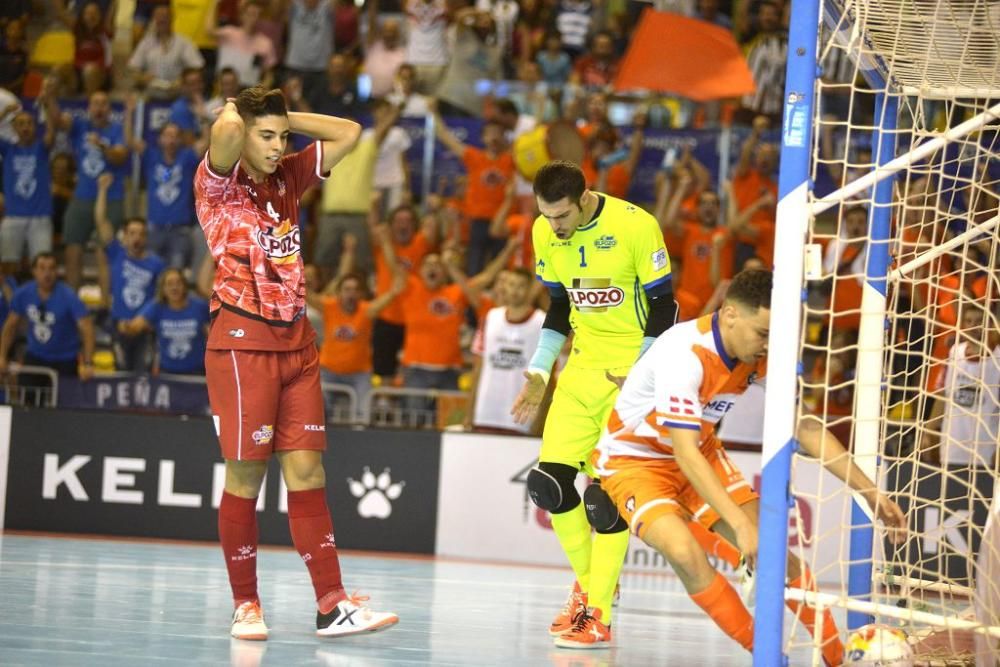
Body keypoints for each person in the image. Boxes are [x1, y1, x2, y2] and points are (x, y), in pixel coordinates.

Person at [592, 268, 908, 660]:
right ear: (729, 315)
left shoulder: (757, 355)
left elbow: (804, 425)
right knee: (684, 551)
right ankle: (766, 655)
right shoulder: (684, 355)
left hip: (699, 450)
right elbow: (683, 452)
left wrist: (870, 492)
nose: (768, 345)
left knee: (774, 551)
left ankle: (837, 656)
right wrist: (740, 527)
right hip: (634, 462)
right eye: (762, 333)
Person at [195, 84, 397, 640]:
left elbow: (350, 133)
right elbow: (228, 132)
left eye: (283, 136)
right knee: (245, 476)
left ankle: (332, 604)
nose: (277, 145)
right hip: (241, 344)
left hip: (299, 345)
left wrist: (282, 120)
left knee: (309, 472)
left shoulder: (289, 174)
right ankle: (246, 606)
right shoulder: (217, 184)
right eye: (268, 135)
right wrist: (241, 113)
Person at [510, 160, 678, 647]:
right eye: (546, 216)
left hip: (631, 374)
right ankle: (591, 586)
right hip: (582, 370)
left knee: (603, 498)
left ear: (584, 199)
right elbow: (561, 305)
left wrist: (643, 373)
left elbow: (666, 305)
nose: (554, 226)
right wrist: (541, 372)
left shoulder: (636, 225)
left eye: (561, 216)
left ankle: (597, 613)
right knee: (547, 484)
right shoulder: (546, 232)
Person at [306, 228, 406, 420]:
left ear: (360, 294)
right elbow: (306, 294)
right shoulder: (329, 306)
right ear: (340, 292)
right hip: (329, 372)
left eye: (354, 290)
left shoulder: (367, 310)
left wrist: (396, 288)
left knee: (363, 415)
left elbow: (392, 295)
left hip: (359, 374)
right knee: (314, 411)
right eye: (346, 289)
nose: (350, 293)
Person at [42, 90, 129, 289]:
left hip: (111, 198)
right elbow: (57, 120)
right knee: (73, 249)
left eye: (104, 103)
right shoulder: (81, 126)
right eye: (95, 103)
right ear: (89, 108)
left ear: (109, 109)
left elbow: (120, 156)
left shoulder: (117, 129)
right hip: (82, 196)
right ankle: (74, 305)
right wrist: (50, 97)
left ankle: (106, 305)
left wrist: (102, 146)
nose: (99, 108)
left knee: (104, 251)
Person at [431, 99, 515, 275]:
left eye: (498, 133)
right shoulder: (474, 157)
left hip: (502, 222)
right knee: (474, 269)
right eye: (489, 133)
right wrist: (433, 112)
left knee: (499, 269)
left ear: (504, 136)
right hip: (478, 221)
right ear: (483, 138)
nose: (493, 137)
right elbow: (444, 136)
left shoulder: (511, 159)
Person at [96, 173, 166, 372]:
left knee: (143, 375)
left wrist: (147, 321)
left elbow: (160, 297)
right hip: (119, 325)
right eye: (132, 233)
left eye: (142, 234)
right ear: (125, 236)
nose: (137, 238)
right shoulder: (117, 253)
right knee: (121, 372)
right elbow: (101, 221)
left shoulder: (157, 264)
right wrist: (102, 191)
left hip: (145, 328)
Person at [468, 267, 545, 434]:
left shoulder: (541, 322)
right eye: (511, 284)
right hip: (486, 414)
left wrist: (539, 421)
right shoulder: (490, 317)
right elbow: (478, 367)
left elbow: (547, 376)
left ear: (530, 288)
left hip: (521, 418)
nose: (515, 290)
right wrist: (470, 413)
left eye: (521, 286)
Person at [0, 252, 95, 379]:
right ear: (34, 271)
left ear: (57, 272)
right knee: (28, 393)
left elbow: (87, 328)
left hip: (65, 359)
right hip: (35, 356)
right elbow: (10, 326)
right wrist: (2, 356)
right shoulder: (23, 294)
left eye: (51, 268)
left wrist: (88, 363)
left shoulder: (69, 296)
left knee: (64, 398)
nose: (47, 273)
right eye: (42, 268)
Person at [119, 268, 211, 375]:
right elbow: (135, 326)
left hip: (197, 371)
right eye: (169, 284)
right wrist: (125, 326)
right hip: (167, 373)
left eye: (178, 283)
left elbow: (213, 333)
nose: (174, 288)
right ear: (163, 289)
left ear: (185, 286)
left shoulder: (200, 306)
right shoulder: (156, 307)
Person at [0, 108, 55, 276]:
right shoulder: (8, 149)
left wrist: (46, 106)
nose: (25, 127)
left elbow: (51, 135)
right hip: (13, 216)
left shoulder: (41, 149)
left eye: (29, 123)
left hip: (40, 216)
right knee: (7, 265)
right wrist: (4, 113)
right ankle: (9, 299)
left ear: (35, 127)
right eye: (21, 124)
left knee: (42, 264)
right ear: (14, 128)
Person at [127, 4, 204, 99]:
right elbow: (133, 69)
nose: (161, 20)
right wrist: (142, 78)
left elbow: (197, 67)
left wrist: (183, 79)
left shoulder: (184, 42)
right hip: (151, 95)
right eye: (158, 17)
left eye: (165, 17)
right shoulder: (146, 43)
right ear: (153, 19)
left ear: (172, 19)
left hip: (178, 95)